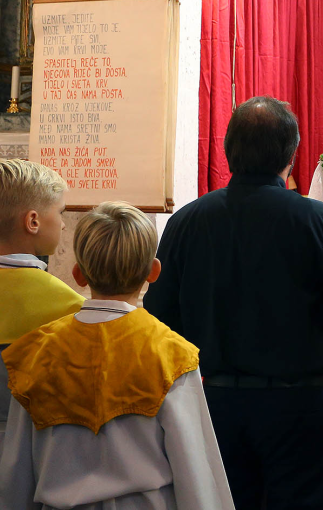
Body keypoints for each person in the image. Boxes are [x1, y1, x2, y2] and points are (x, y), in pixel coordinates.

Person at [143, 96, 323, 510]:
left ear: (229, 151)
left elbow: (159, 314)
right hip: (296, 406)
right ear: (291, 154)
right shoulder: (316, 220)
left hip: (210, 405)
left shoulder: (187, 221)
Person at [0, 201, 234, 508]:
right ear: (153, 272)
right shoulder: (171, 353)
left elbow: (17, 474)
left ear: (78, 274)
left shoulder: (34, 354)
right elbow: (196, 470)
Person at [0, 159, 84, 451]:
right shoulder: (70, 307)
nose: (62, 223)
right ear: (33, 222)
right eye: (59, 212)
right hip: (35, 449)